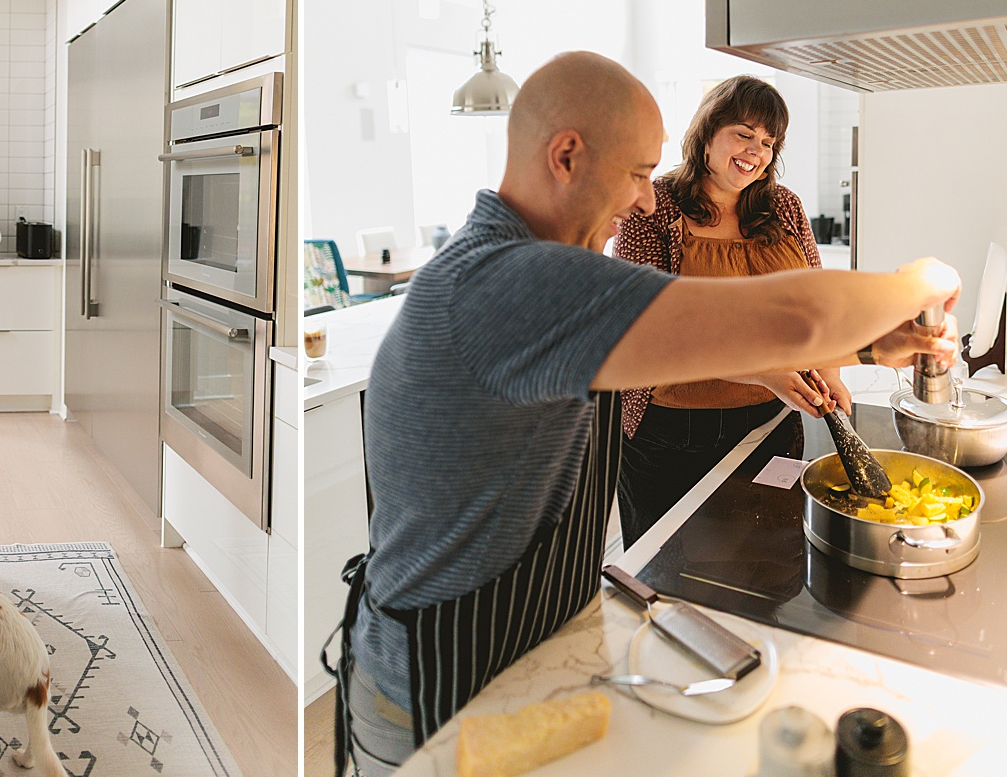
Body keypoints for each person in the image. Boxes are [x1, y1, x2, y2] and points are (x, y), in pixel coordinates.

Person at [329, 51, 960, 777]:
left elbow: (704, 352)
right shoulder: (513, 283)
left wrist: (878, 347)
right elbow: (796, 316)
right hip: (442, 674)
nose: (646, 203)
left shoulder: (532, 269)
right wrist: (923, 279)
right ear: (567, 155)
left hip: (529, 644)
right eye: (636, 173)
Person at [613, 75, 839, 548]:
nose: (756, 151)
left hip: (771, 422)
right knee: (668, 567)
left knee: (766, 559)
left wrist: (829, 369)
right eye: (744, 133)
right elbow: (647, 332)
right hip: (671, 433)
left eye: (767, 141)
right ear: (708, 132)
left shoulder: (784, 208)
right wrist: (764, 372)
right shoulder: (652, 210)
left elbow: (819, 305)